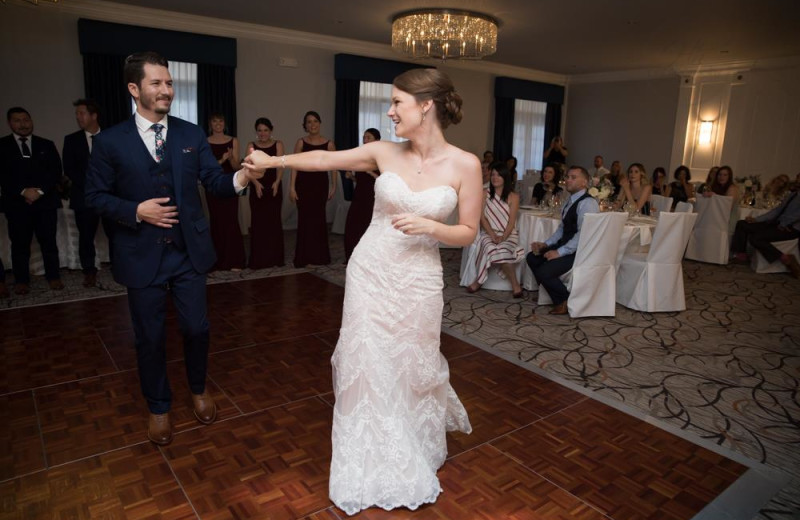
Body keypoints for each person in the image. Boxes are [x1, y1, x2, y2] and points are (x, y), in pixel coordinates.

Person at [244, 68, 480, 515]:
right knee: (366, 360)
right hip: (372, 271)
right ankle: (364, 461)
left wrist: (433, 226)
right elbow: (323, 161)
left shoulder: (465, 164)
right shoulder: (381, 151)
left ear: (425, 105)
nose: (389, 112)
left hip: (419, 279)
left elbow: (468, 232)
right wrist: (274, 162)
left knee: (415, 362)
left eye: (397, 103)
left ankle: (412, 445)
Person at [86, 51, 262, 446]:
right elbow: (93, 197)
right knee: (149, 337)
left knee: (196, 328)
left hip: (187, 252)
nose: (167, 89)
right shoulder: (110, 142)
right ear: (134, 89)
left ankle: (198, 389)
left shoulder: (189, 134)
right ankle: (159, 407)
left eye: (168, 83)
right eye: (157, 83)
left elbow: (215, 183)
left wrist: (243, 177)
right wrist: (135, 210)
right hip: (139, 253)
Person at [0, 107, 63, 295]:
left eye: (26, 119)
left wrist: (39, 191)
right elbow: (3, 176)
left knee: (49, 243)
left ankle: (53, 277)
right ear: (10, 124)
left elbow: (55, 172)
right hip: (17, 205)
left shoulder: (46, 144)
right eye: (17, 120)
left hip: (45, 204)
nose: (23, 124)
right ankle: (21, 280)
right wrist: (23, 191)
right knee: (19, 245)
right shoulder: (2, 146)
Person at [525, 166, 599, 315]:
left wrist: (559, 252)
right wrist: (546, 244)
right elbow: (561, 229)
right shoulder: (568, 200)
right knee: (532, 257)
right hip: (566, 245)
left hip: (579, 251)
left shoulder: (588, 203)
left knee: (545, 271)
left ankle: (565, 300)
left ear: (584, 182)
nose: (568, 180)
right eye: (567, 177)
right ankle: (554, 297)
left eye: (573, 177)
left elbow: (582, 234)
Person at [62, 98, 107, 287]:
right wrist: (93, 186)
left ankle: (121, 267)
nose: (78, 117)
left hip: (111, 196)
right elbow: (70, 169)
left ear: (93, 115)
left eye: (82, 113)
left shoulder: (112, 137)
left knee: (117, 234)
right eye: (77, 114)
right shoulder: (71, 140)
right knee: (86, 236)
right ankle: (89, 271)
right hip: (84, 197)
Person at [466, 161, 524, 296]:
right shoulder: (484, 193)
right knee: (490, 247)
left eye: (499, 175)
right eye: (493, 175)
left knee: (503, 248)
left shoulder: (514, 197)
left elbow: (511, 222)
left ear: (505, 177)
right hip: (488, 232)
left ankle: (479, 282)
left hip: (508, 233)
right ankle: (513, 285)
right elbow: (482, 217)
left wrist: (503, 237)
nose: (495, 178)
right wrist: (492, 235)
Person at [290, 110, 336, 267]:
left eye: (315, 121)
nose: (312, 124)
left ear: (320, 123)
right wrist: (291, 187)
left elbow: (334, 167)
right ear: (305, 126)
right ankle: (304, 257)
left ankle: (319, 257)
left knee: (318, 220)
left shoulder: (329, 144)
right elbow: (294, 165)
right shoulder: (301, 142)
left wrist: (333, 185)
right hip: (303, 186)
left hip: (320, 186)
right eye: (309, 122)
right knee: (304, 221)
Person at [731, 182, 800, 278]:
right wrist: (756, 220)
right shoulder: (793, 195)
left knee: (756, 238)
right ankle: (741, 255)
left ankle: (785, 258)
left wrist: (785, 224)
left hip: (791, 229)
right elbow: (776, 211)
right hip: (777, 223)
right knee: (742, 224)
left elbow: (797, 217)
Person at [206, 112, 246, 271]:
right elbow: (206, 166)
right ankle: (217, 261)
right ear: (210, 124)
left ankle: (234, 261)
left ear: (224, 123)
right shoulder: (205, 141)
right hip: (213, 185)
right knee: (216, 222)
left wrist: (230, 159)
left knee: (231, 221)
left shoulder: (233, 140)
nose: (218, 124)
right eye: (214, 121)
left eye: (220, 121)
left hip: (230, 184)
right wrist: (222, 159)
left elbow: (237, 167)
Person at [247, 117, 285, 268]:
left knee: (273, 222)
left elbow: (281, 166)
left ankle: (275, 259)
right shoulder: (251, 145)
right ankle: (259, 260)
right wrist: (256, 184)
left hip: (274, 186)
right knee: (259, 223)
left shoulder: (278, 144)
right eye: (260, 130)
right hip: (257, 187)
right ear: (256, 132)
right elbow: (248, 168)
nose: (262, 133)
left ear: (271, 131)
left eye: (265, 130)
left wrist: (277, 182)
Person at [343, 128, 381, 261]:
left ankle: (369, 258)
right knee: (352, 225)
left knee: (369, 227)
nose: (365, 140)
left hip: (373, 198)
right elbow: (361, 180)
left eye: (368, 137)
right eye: (364, 137)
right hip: (359, 196)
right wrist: (351, 177)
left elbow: (385, 180)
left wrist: (370, 172)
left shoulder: (381, 158)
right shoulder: (361, 157)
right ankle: (353, 257)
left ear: (376, 140)